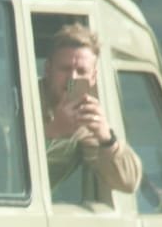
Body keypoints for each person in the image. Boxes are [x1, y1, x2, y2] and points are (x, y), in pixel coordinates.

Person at [39, 22, 142, 197]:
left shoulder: (85, 118)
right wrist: (52, 131)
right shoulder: (18, 101)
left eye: (81, 71)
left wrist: (106, 139)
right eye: (65, 69)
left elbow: (128, 183)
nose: (72, 78)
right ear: (48, 70)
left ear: (93, 77)